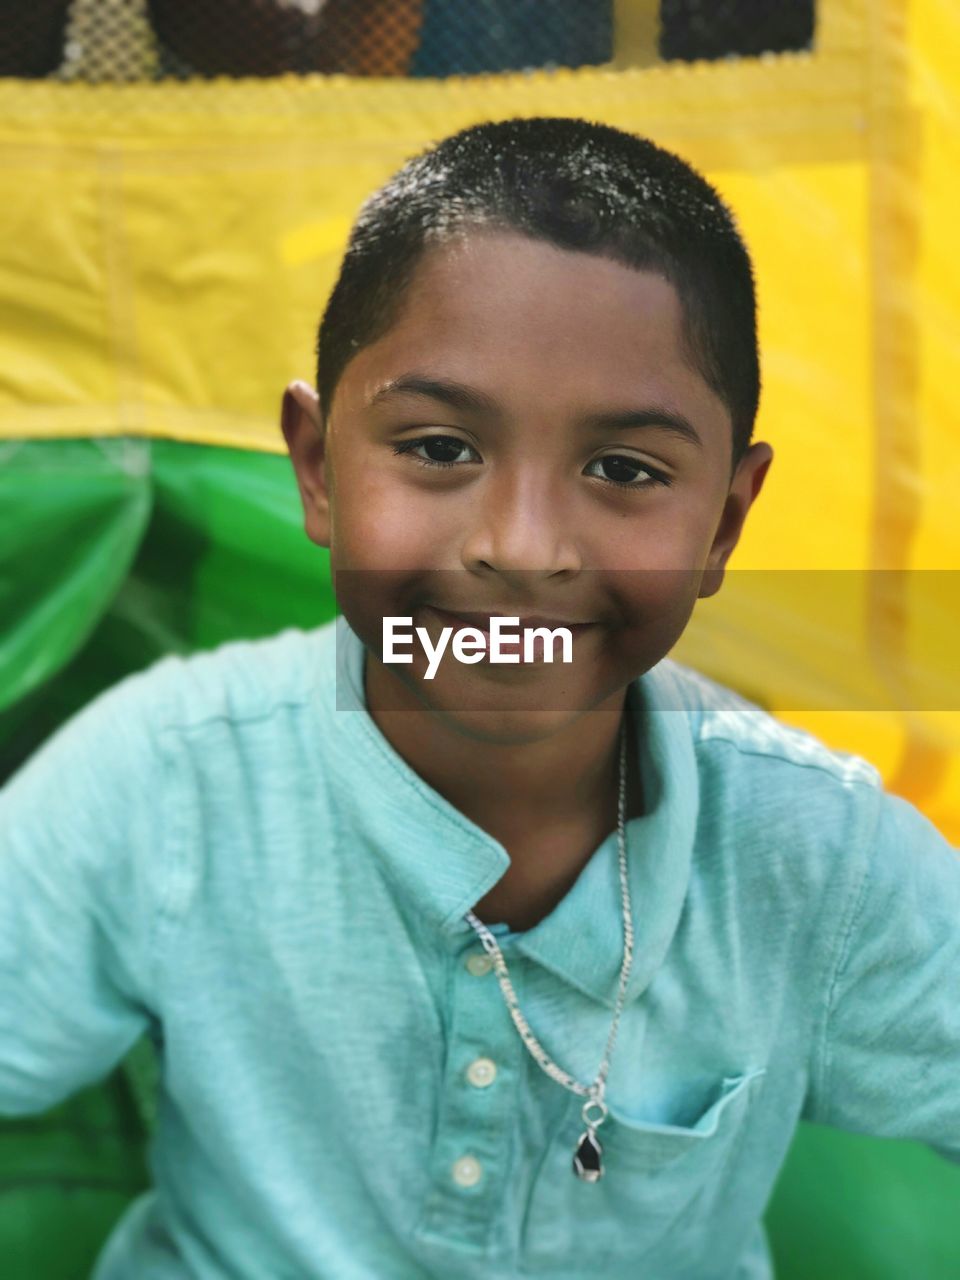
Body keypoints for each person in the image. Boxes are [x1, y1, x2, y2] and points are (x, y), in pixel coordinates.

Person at [1, 116, 958, 1279]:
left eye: (625, 470)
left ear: (724, 522)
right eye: (442, 447)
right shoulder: (165, 776)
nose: (521, 545)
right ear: (316, 466)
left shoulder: (823, 860)